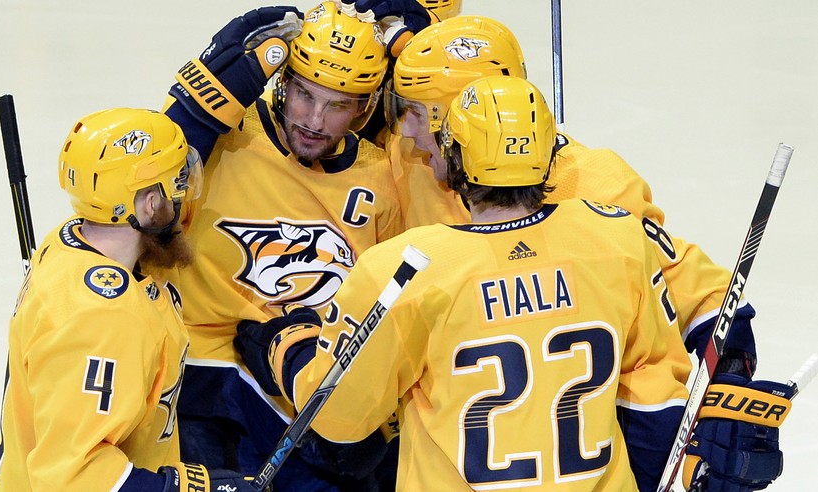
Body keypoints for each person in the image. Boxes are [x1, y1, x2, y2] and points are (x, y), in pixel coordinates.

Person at [380, 16, 796, 490]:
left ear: (463, 115)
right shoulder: (416, 164)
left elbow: (686, 287)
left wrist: (730, 379)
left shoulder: (593, 188)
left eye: (416, 113)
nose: (405, 133)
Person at [258, 75, 693, 490]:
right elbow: (655, 393)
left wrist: (289, 345)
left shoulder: (405, 269)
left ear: (456, 157)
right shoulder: (616, 238)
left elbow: (338, 418)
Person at [161, 2, 411, 490]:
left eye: (338, 105)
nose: (314, 120)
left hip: (304, 388)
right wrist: (193, 110)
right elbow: (149, 185)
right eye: (304, 94)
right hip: (205, 375)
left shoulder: (383, 176)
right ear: (282, 83)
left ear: (365, 107)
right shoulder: (227, 136)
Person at [0, 108, 254, 491]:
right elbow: (74, 478)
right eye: (178, 183)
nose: (186, 195)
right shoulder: (105, 318)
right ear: (150, 204)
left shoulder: (69, 241)